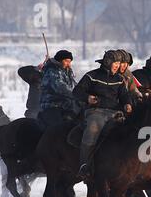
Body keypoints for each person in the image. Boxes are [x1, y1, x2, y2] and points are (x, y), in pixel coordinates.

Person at [73, 50, 133, 180]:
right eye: (115, 63)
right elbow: (77, 92)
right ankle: (84, 165)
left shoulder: (119, 79)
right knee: (92, 130)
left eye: (119, 63)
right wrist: (88, 98)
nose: (117, 66)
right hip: (95, 112)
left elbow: (125, 96)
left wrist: (127, 104)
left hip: (114, 113)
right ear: (107, 62)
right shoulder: (92, 76)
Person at [38, 50, 78, 128]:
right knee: (57, 127)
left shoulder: (67, 72)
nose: (68, 64)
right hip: (52, 104)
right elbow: (60, 87)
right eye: (66, 61)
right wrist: (75, 95)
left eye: (70, 61)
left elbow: (73, 86)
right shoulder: (52, 70)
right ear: (60, 60)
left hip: (65, 105)